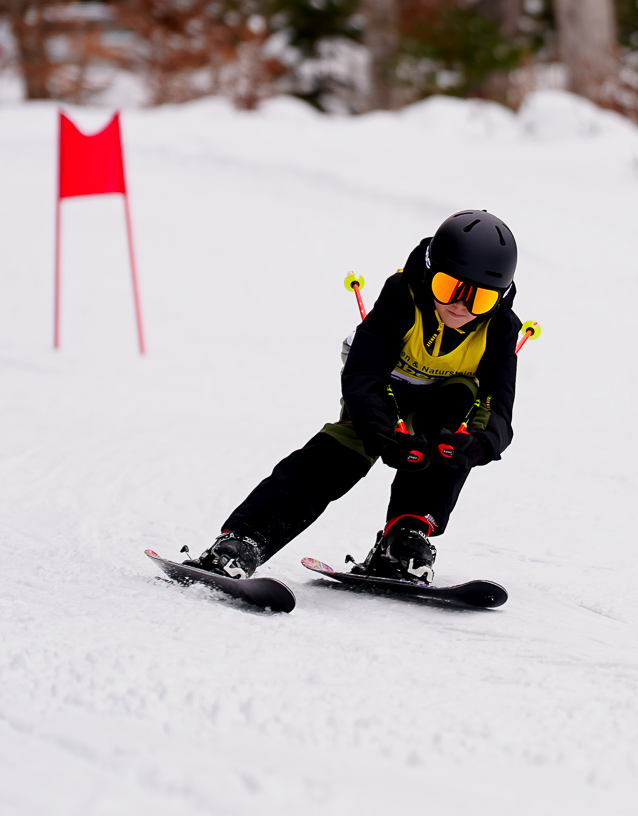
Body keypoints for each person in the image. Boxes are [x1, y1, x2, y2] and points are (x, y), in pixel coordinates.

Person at [190, 210, 519, 584]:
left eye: (480, 298)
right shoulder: (403, 294)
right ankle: (246, 539)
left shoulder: (500, 327)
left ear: (499, 297)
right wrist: (378, 430)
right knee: (340, 455)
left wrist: (479, 444)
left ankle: (406, 538)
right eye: (448, 287)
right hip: (384, 392)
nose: (460, 306)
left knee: (447, 442)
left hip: (444, 402)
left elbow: (498, 402)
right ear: (429, 271)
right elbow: (365, 373)